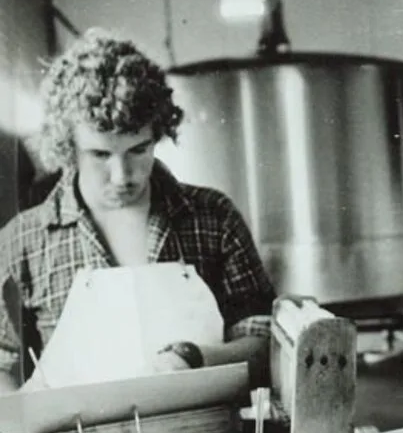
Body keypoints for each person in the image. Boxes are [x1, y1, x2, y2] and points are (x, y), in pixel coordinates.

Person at [0, 28, 276, 396]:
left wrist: (193, 359)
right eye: (100, 155)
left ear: (159, 133)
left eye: (138, 150)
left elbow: (263, 346)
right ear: (68, 146)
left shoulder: (214, 218)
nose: (122, 176)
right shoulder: (22, 242)